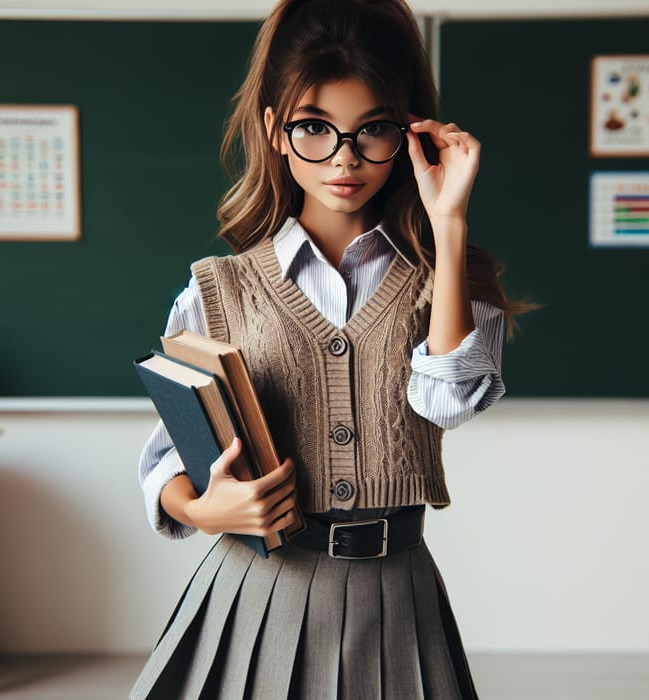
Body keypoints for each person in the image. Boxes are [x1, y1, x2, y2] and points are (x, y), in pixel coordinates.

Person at [131, 1, 525, 697]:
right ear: (274, 132)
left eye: (373, 130)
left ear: (409, 135)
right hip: (256, 594)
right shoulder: (214, 291)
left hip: (396, 598)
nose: (346, 158)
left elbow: (446, 402)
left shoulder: (450, 283)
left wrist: (449, 224)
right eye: (315, 127)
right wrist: (203, 509)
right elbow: (168, 456)